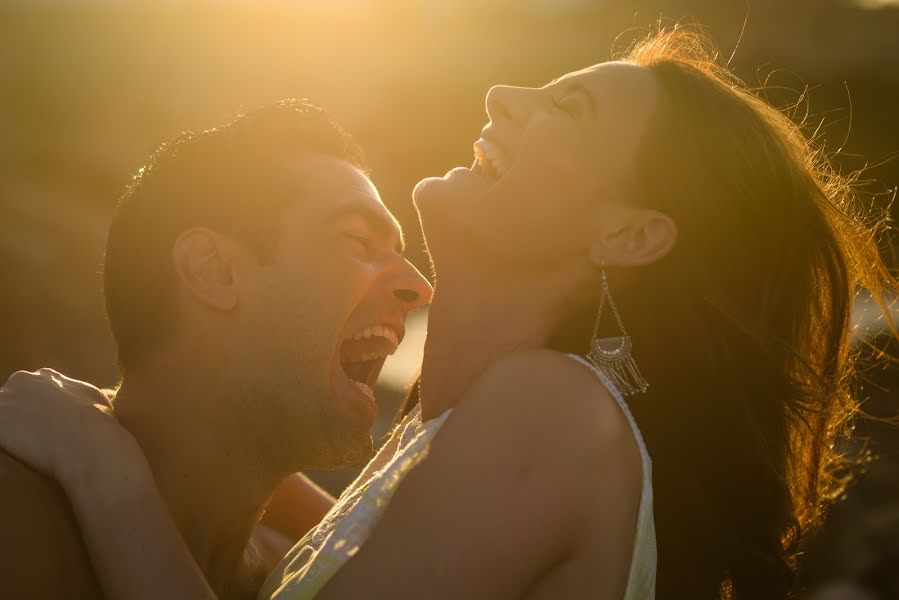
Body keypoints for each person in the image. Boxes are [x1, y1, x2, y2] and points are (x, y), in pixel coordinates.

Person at [1, 27, 896, 599]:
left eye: (566, 106)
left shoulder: (549, 413)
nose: (504, 98)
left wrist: (100, 464)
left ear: (628, 233)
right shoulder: (468, 431)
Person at [0, 100, 432, 599]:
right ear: (213, 269)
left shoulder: (286, 569)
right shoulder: (17, 531)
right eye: (357, 242)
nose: (419, 287)